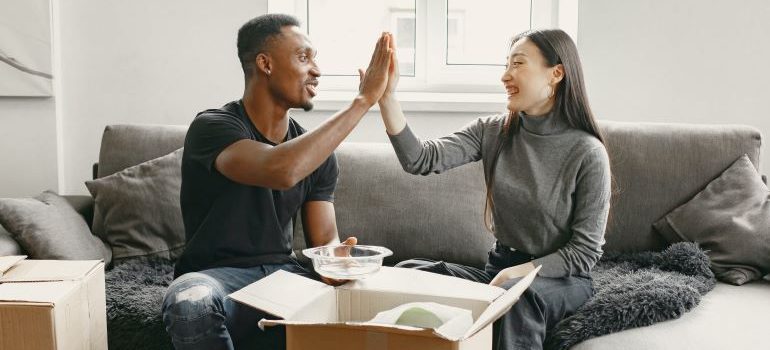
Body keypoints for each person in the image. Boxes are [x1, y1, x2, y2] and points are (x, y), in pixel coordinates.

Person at [161, 14, 392, 350]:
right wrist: (362, 102)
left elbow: (325, 240)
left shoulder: (319, 154)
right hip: (218, 278)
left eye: (315, 59)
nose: (316, 70)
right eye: (304, 57)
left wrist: (335, 260)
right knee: (190, 302)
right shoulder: (213, 128)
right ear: (265, 63)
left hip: (285, 278)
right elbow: (279, 169)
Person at [373, 29, 612, 349]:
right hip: (500, 271)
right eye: (506, 64)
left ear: (555, 74)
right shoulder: (493, 131)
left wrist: (520, 275)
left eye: (518, 64)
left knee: (519, 299)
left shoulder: (588, 152)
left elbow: (584, 253)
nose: (505, 75)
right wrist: (387, 97)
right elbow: (421, 159)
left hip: (560, 281)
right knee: (410, 274)